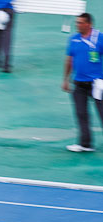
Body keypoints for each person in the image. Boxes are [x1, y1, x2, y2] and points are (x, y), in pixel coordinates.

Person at [62, 13, 103, 153]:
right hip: (79, 83)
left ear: (88, 24)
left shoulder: (99, 38)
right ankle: (85, 144)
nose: (77, 25)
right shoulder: (73, 39)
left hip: (97, 84)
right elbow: (69, 60)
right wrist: (65, 80)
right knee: (81, 113)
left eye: (80, 23)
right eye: (77, 22)